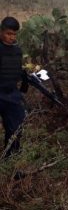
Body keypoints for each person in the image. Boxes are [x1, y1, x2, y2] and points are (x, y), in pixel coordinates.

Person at [0, 16, 27, 157]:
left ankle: (11, 159)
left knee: (16, 128)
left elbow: (19, 71)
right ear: (1, 32)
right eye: (9, 34)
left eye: (14, 34)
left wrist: (23, 89)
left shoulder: (17, 51)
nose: (12, 37)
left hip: (12, 95)